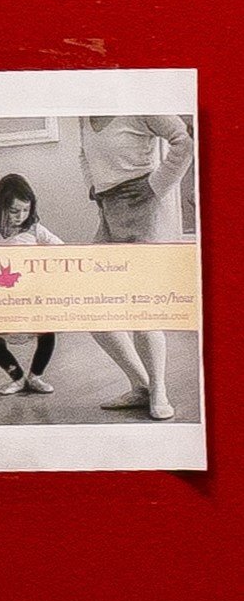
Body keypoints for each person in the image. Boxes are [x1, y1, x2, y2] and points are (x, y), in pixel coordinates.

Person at [77, 113, 196, 423]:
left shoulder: (139, 105)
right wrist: (93, 185)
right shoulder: (84, 114)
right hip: (109, 211)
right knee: (89, 307)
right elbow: (83, 152)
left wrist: (157, 184)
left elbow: (183, 139)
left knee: (142, 307)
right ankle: (141, 386)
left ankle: (159, 391)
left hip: (144, 208)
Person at [0, 173, 63, 396]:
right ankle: (17, 377)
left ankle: (36, 376)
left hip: (32, 295)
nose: (20, 216)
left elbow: (60, 248)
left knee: (46, 333)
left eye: (25, 211)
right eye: (14, 211)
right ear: (0, 207)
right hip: (1, 297)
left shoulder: (34, 230)